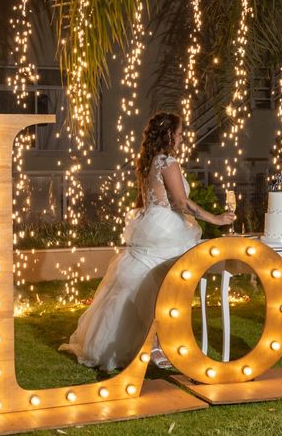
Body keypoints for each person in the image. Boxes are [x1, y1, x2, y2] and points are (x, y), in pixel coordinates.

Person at [60, 112, 235, 371]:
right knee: (165, 287)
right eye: (179, 133)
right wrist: (217, 219)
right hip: (167, 228)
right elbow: (180, 202)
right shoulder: (169, 162)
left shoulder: (148, 160)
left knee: (143, 284)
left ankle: (144, 342)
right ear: (168, 136)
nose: (182, 137)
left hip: (153, 224)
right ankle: (155, 344)